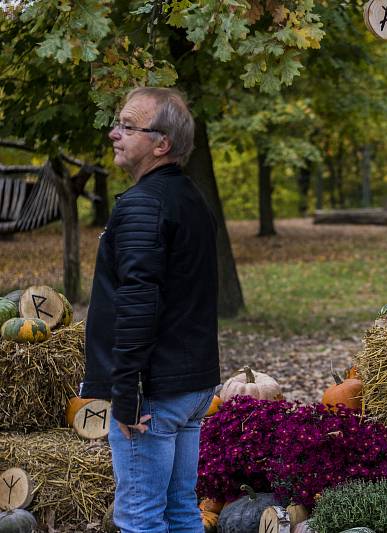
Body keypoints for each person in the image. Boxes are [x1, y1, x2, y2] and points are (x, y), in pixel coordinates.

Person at [80, 87, 220, 533]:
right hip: (190, 382)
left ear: (162, 144)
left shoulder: (145, 204)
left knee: (140, 517)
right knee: (180, 510)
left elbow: (138, 300)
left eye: (127, 125)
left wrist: (127, 391)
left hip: (155, 389)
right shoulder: (189, 197)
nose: (113, 133)